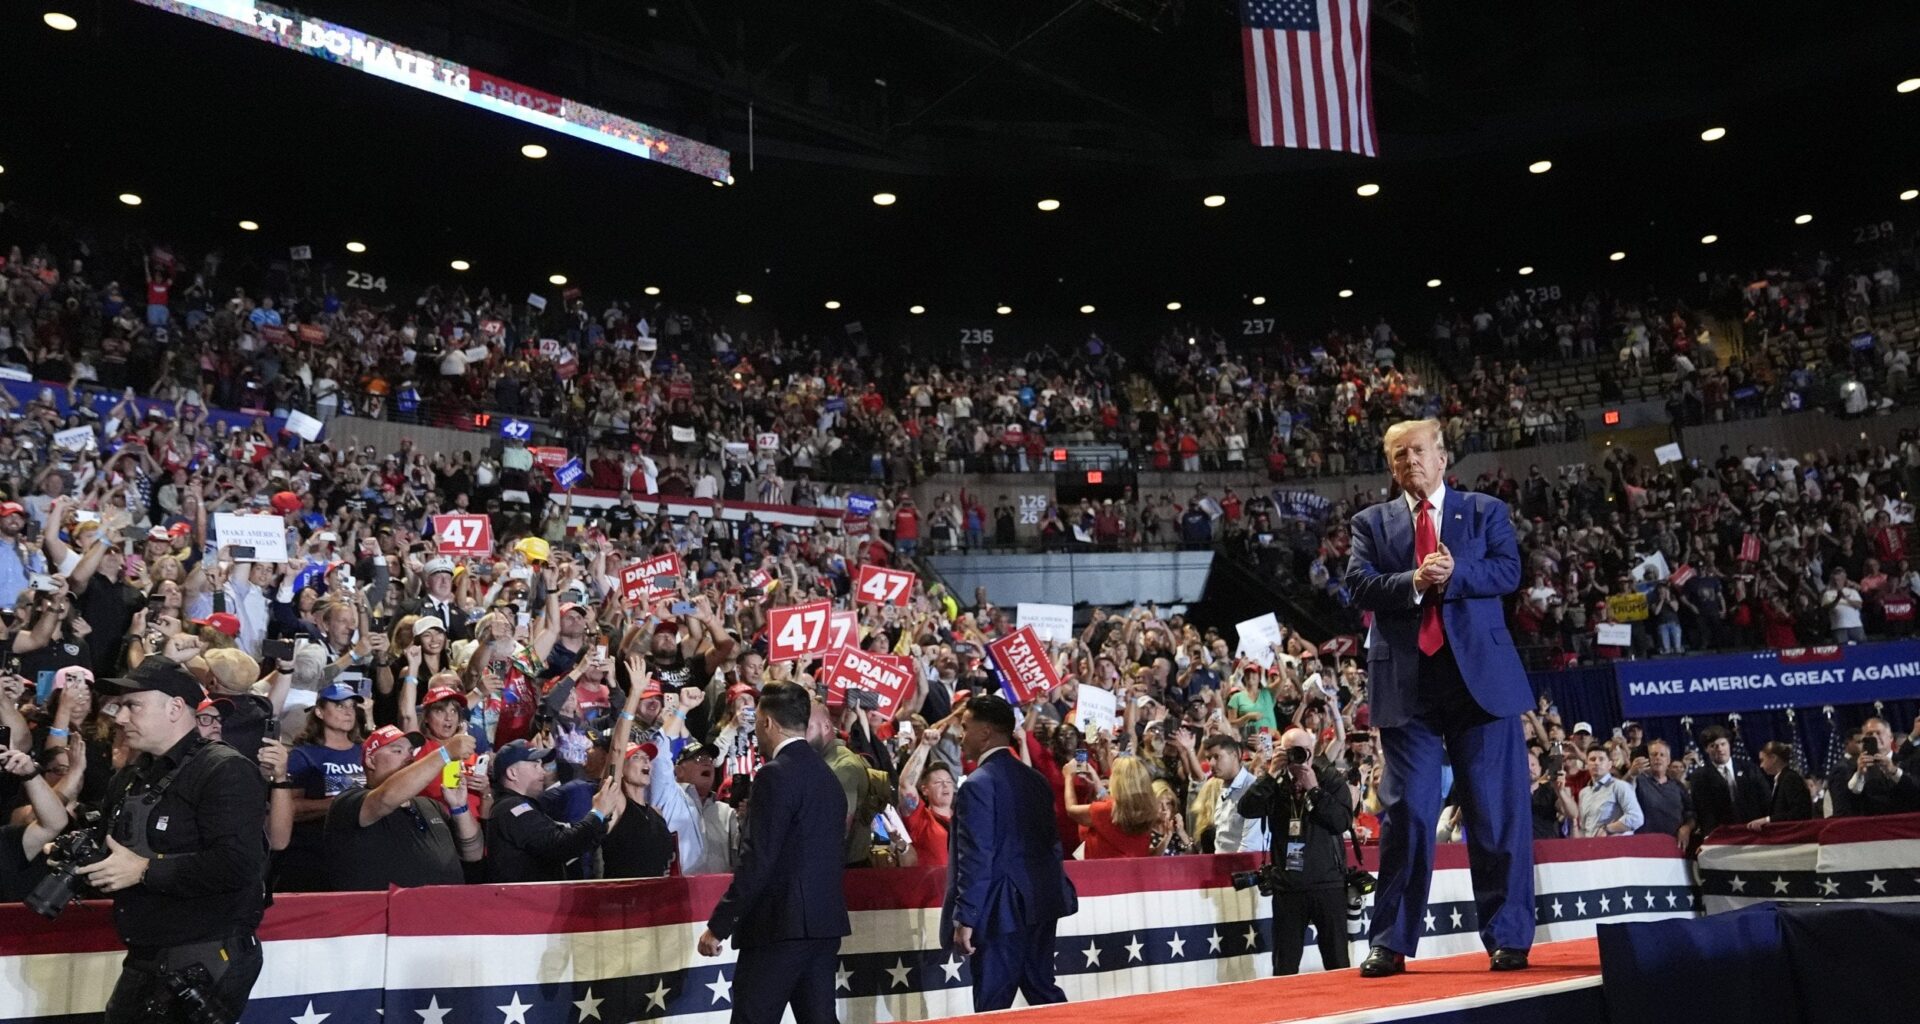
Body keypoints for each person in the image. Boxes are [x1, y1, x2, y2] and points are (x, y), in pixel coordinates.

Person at [1345, 418, 1535, 976]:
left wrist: (1455, 574)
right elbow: (1358, 585)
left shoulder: (1484, 511)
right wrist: (1415, 581)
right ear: (1390, 466)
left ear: (1443, 455)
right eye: (1399, 455)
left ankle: (1507, 936)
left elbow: (1508, 570)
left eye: (1419, 451)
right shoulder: (1370, 524)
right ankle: (1391, 942)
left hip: (1481, 686)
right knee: (1407, 816)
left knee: (1495, 814)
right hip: (1409, 689)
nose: (1411, 462)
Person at [77, 657, 268, 1023]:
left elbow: (240, 863)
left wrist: (146, 871)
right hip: (146, 954)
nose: (119, 716)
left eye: (133, 705)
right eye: (119, 706)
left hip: (206, 959)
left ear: (175, 707)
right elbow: (115, 856)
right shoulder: (131, 777)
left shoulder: (224, 769)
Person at [698, 681, 850, 1024]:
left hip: (778, 928)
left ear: (767, 722)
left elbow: (759, 858)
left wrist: (719, 925)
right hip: (823, 925)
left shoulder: (774, 775)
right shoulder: (828, 776)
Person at [941, 692, 1077, 1012]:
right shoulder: (1037, 781)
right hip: (1041, 902)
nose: (961, 736)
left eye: (965, 726)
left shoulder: (976, 785)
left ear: (985, 732)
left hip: (999, 910)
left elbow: (976, 857)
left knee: (992, 1003)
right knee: (1042, 989)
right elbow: (1052, 847)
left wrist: (966, 916)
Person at [1237, 726, 1353, 976]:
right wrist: (1270, 775)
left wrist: (1314, 789)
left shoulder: (1329, 779)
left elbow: (1341, 822)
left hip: (1328, 883)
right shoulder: (1275, 783)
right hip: (1288, 887)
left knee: (1338, 963)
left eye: (1302, 752)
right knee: (1285, 966)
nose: (1298, 758)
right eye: (1290, 752)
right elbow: (1246, 809)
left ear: (1313, 752)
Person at [324, 725, 482, 890]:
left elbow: (473, 854)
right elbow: (385, 798)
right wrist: (445, 753)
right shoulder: (348, 801)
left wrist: (459, 808)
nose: (409, 758)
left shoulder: (430, 805)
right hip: (384, 912)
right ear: (371, 761)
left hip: (443, 910)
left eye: (410, 752)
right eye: (397, 751)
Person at [485, 739, 624, 883]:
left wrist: (601, 816)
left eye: (541, 765)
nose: (543, 771)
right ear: (512, 773)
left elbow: (571, 845)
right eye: (534, 765)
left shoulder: (520, 806)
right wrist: (598, 812)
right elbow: (561, 845)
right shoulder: (512, 809)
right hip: (524, 903)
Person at [1064, 753, 1157, 858]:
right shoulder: (1148, 808)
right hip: (1134, 870)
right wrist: (1094, 777)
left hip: (1103, 871)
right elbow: (1111, 802)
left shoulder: (1107, 810)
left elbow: (1071, 810)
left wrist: (1068, 777)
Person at [1685, 726, 1764, 847]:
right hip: (1721, 836)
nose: (1720, 749)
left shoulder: (1749, 769)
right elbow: (1703, 810)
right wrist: (1709, 837)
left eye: (1723, 744)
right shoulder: (1699, 776)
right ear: (1706, 749)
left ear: (1729, 745)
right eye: (1713, 746)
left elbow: (1764, 799)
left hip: (1753, 833)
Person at [1829, 717, 1920, 817]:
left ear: (1891, 737)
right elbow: (1848, 801)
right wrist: (1859, 774)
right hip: (1873, 827)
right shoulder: (1850, 767)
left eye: (1878, 733)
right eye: (1869, 734)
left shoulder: (1909, 760)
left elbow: (1915, 790)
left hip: (1907, 825)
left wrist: (1893, 771)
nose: (1875, 737)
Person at [1204, 734, 1271, 854]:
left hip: (1241, 868)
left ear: (1235, 755)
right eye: (1209, 758)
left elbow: (1250, 846)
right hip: (1222, 865)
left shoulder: (1252, 789)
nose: (1211, 764)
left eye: (1216, 757)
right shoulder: (1222, 788)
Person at [1631, 740, 1694, 849]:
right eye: (1654, 754)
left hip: (1674, 845)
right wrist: (1630, 774)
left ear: (1668, 760)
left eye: (1662, 755)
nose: (1658, 758)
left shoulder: (1678, 786)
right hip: (1644, 846)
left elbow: (1691, 813)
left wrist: (1687, 828)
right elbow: (1621, 791)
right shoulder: (1638, 781)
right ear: (1648, 759)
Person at [1573, 747, 1643, 837]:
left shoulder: (1620, 786)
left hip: (1616, 847)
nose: (1596, 763)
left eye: (1601, 759)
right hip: (1591, 847)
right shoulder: (1584, 793)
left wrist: (1608, 829)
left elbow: (1636, 817)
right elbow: (1583, 827)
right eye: (1592, 759)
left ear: (1609, 764)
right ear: (1587, 764)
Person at [1747, 741, 1813, 827]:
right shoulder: (1782, 778)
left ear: (1773, 758)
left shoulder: (1790, 779)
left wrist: (1767, 820)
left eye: (1762, 760)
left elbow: (1798, 813)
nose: (1761, 766)